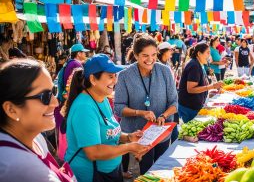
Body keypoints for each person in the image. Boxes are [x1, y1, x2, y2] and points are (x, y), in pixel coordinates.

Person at [63, 54, 149, 182]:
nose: (115, 81)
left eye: (115, 76)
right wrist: (129, 147)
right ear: (93, 79)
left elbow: (108, 133)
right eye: (110, 76)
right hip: (92, 175)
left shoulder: (102, 98)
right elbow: (93, 152)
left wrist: (128, 137)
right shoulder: (84, 107)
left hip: (111, 170)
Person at [0, 59, 75, 182]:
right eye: (45, 96)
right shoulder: (21, 168)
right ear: (11, 109)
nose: (55, 103)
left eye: (53, 92)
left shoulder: (35, 138)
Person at [114, 34, 178, 174]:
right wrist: (140, 113)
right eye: (145, 55)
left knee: (162, 171)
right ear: (136, 55)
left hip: (162, 133)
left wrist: (164, 115)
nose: (150, 60)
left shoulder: (165, 71)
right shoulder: (124, 76)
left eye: (154, 55)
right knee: (146, 172)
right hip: (139, 136)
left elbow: (174, 103)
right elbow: (118, 108)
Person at [55, 43, 89, 161]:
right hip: (71, 101)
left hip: (66, 101)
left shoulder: (69, 63)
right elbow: (72, 86)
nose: (85, 54)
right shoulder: (76, 64)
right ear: (79, 54)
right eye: (84, 52)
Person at [178, 43, 223, 123]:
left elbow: (200, 84)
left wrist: (209, 93)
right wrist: (212, 86)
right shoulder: (194, 65)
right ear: (199, 53)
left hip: (194, 106)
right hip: (189, 108)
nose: (209, 56)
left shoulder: (199, 64)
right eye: (208, 53)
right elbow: (191, 89)